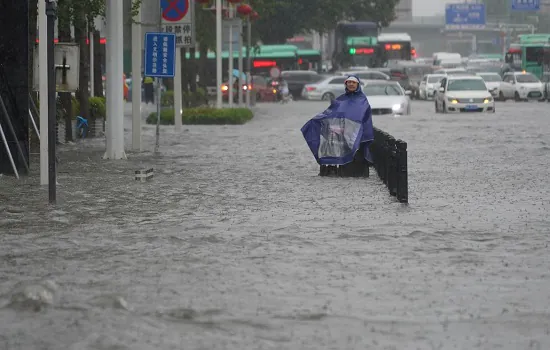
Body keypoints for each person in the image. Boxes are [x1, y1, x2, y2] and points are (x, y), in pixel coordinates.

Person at [301, 74, 374, 176]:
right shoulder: (341, 99)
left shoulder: (362, 100)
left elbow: (363, 116)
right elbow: (331, 112)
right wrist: (318, 119)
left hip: (357, 136)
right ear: (346, 84)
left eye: (353, 82)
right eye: (349, 82)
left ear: (358, 85)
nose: (351, 84)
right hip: (342, 136)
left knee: (356, 158)